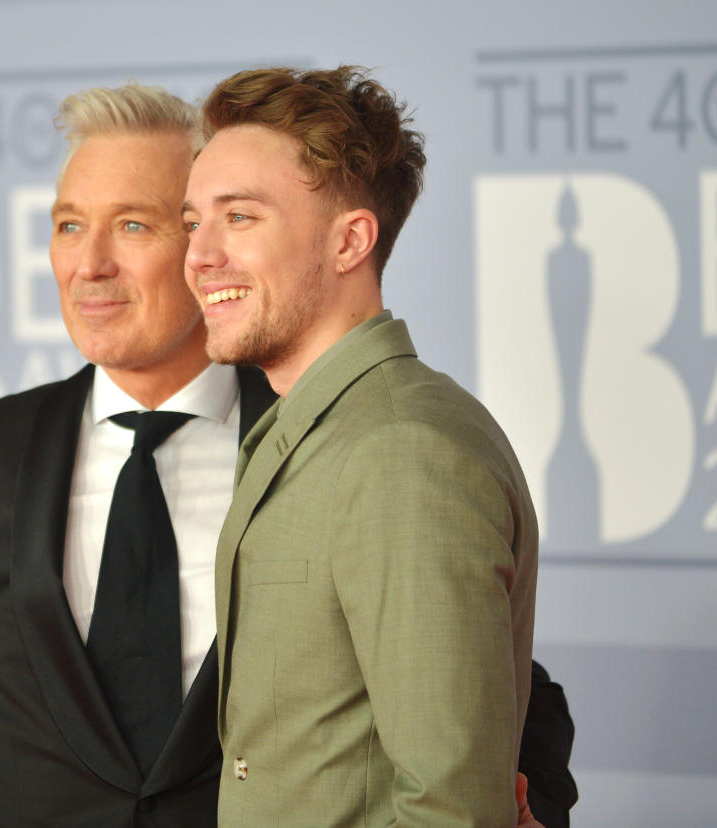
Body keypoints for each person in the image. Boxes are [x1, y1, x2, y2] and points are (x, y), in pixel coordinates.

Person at [0, 82, 575, 827]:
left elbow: (473, 695)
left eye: (134, 225)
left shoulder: (349, 439)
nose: (90, 264)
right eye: (66, 226)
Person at [182, 65, 545, 826]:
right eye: (193, 223)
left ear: (351, 241)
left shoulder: (401, 451)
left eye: (240, 218)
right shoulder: (306, 429)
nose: (200, 256)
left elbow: (453, 808)